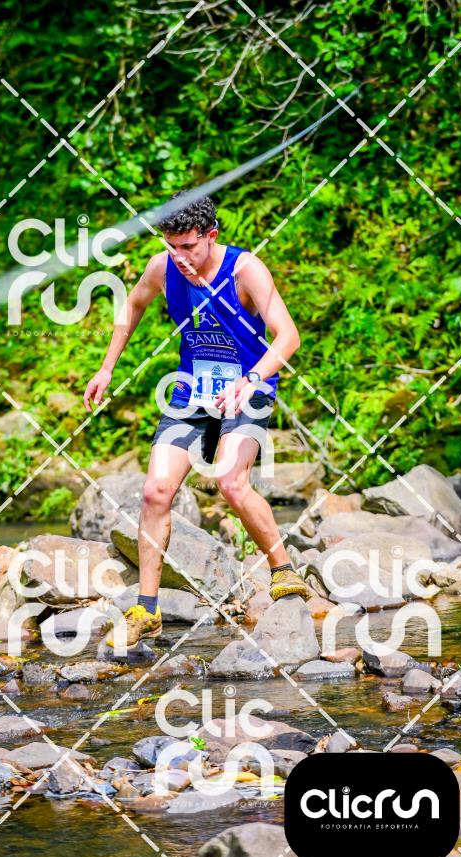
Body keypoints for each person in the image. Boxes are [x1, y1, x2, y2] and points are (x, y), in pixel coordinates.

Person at [84, 192, 310, 649]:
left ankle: (283, 570)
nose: (181, 258)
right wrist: (107, 367)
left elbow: (288, 337)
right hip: (192, 390)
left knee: (230, 482)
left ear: (211, 235)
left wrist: (250, 380)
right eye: (172, 247)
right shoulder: (162, 267)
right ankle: (147, 609)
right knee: (155, 491)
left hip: (248, 388)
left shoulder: (246, 270)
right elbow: (132, 306)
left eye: (189, 246)